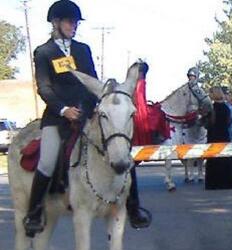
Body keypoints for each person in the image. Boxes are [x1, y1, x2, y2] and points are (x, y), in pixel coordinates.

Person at [25, 0, 149, 237]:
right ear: (56, 23)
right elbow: (44, 88)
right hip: (58, 116)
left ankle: (133, 208)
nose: (74, 26)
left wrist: (96, 105)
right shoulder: (43, 52)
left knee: (120, 149)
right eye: (70, 21)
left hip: (87, 111)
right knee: (48, 160)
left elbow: (91, 80)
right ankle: (34, 212)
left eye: (76, 22)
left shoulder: (83, 49)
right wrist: (64, 109)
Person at [204, 87, 232, 190]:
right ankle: (229, 183)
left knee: (214, 161)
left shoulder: (211, 108)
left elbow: (208, 124)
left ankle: (214, 183)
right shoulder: (226, 108)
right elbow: (229, 122)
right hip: (224, 135)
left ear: (213, 94)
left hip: (213, 136)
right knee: (226, 158)